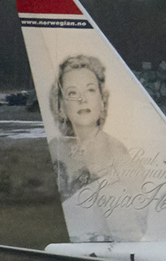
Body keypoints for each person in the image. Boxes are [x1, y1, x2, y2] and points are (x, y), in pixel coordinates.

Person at [48, 54, 132, 197]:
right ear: (61, 106)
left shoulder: (116, 151)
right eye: (72, 92)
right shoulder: (55, 147)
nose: (82, 99)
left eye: (90, 90)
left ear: (102, 100)